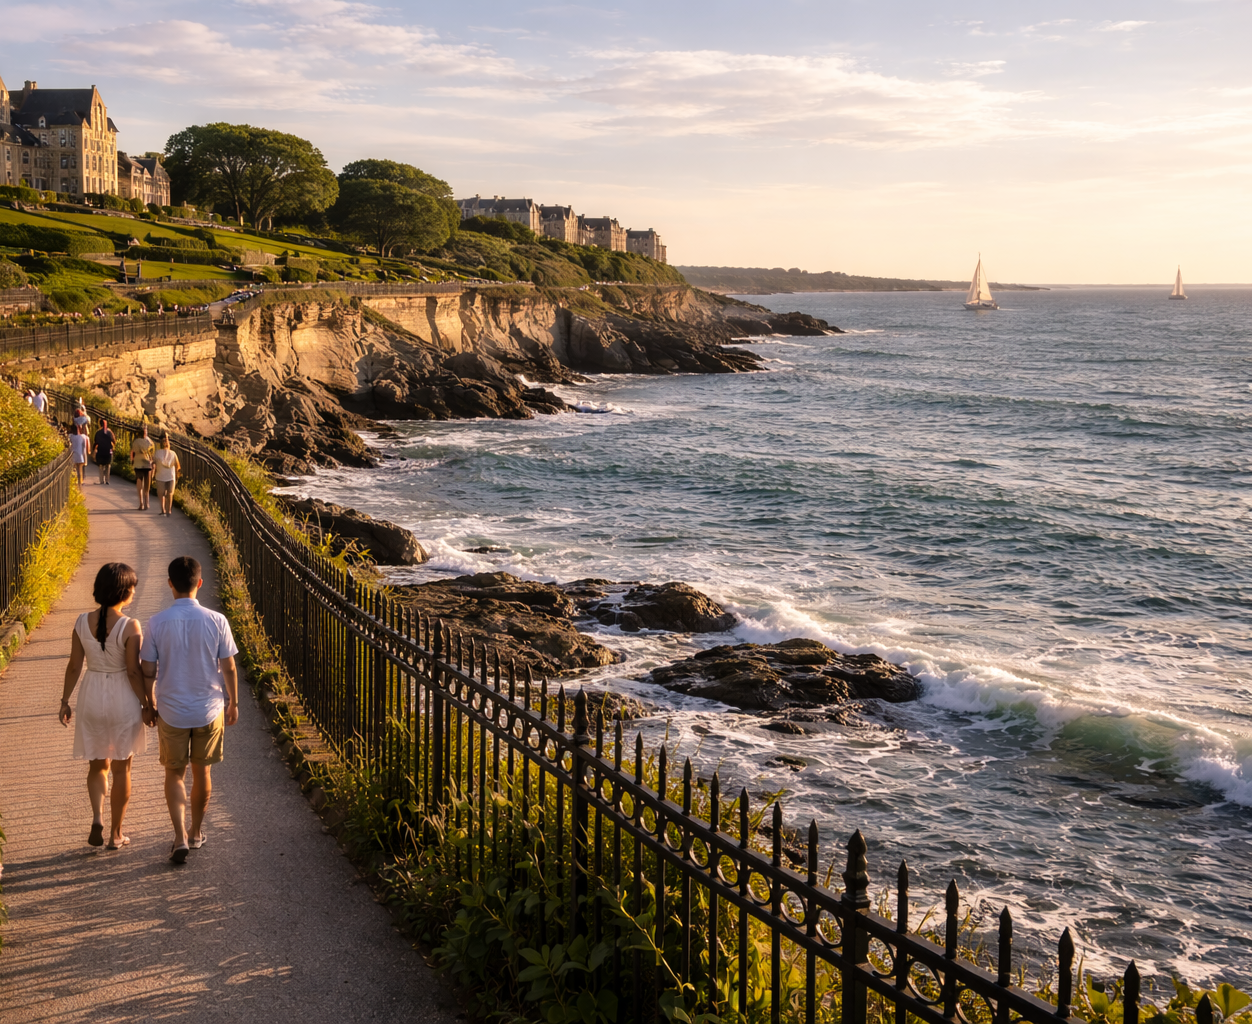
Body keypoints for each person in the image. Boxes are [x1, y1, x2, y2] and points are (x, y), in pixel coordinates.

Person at [141, 556, 239, 864]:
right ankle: (196, 833)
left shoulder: (156, 623)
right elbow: (229, 666)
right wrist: (233, 701)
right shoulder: (217, 620)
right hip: (209, 708)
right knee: (203, 772)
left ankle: (179, 835)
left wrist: (149, 703)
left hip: (171, 709)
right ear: (200, 583)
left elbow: (147, 668)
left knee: (174, 773)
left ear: (169, 584)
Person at [58, 563, 148, 850]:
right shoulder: (130, 625)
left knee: (97, 765)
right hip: (121, 694)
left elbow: (74, 666)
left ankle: (97, 817)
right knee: (122, 769)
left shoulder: (81, 621)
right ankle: (115, 834)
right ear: (124, 590)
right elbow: (133, 671)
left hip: (92, 692)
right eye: (132, 586)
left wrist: (64, 701)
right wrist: (147, 703)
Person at [153, 435, 180, 516]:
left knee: (163, 494)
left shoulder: (158, 453)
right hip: (169, 475)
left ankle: (165, 510)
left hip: (163, 475)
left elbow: (153, 463)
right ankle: (167, 510)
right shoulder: (172, 454)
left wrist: (153, 471)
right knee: (169, 493)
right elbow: (177, 466)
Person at [130, 425, 155, 510]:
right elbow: (152, 452)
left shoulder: (135, 442)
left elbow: (132, 452)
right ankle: (147, 503)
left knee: (139, 482)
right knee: (147, 485)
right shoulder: (149, 442)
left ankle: (141, 503)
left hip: (138, 463)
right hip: (147, 463)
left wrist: (132, 460)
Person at [93, 418, 116, 485]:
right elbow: (113, 441)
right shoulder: (110, 432)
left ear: (100, 424)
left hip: (100, 450)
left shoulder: (98, 432)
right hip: (108, 450)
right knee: (108, 465)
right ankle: (107, 480)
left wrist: (94, 450)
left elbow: (96, 442)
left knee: (101, 466)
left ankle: (101, 480)